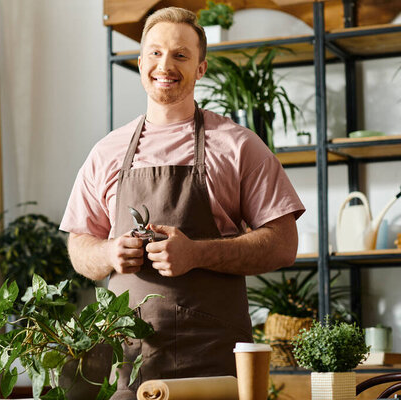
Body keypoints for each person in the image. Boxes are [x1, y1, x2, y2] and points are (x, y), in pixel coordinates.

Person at [60, 6, 305, 400]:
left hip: (213, 365)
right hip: (129, 364)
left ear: (201, 67)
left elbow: (283, 243)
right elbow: (79, 246)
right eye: (155, 53)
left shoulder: (239, 145)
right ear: (140, 63)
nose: (165, 65)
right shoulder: (106, 151)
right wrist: (108, 252)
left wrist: (196, 253)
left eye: (180, 55)